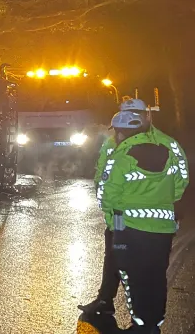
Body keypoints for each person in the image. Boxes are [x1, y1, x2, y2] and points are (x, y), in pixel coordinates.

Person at [97, 110, 188, 332]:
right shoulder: (167, 151)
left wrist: (113, 223)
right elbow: (179, 185)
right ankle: (154, 324)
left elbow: (106, 195)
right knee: (156, 276)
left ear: (121, 133)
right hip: (162, 230)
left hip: (129, 229)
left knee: (131, 275)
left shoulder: (121, 157)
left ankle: (139, 324)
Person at [79, 98, 152, 317]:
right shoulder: (112, 142)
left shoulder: (152, 144)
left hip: (136, 213)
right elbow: (103, 172)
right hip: (116, 214)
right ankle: (105, 300)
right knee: (113, 254)